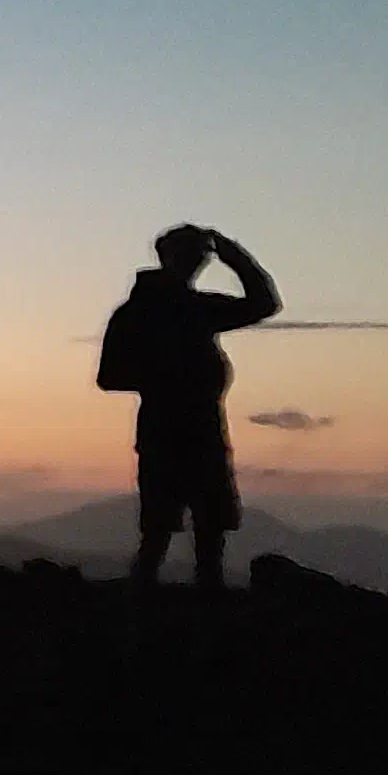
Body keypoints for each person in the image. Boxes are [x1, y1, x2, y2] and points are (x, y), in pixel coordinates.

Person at [96, 225, 281, 590]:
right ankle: (154, 599)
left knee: (206, 523)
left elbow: (264, 305)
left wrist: (233, 255)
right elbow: (109, 377)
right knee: (163, 527)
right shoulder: (154, 312)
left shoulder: (187, 308)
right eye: (195, 254)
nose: (198, 262)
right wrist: (168, 377)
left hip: (194, 427)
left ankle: (188, 594)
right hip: (169, 429)